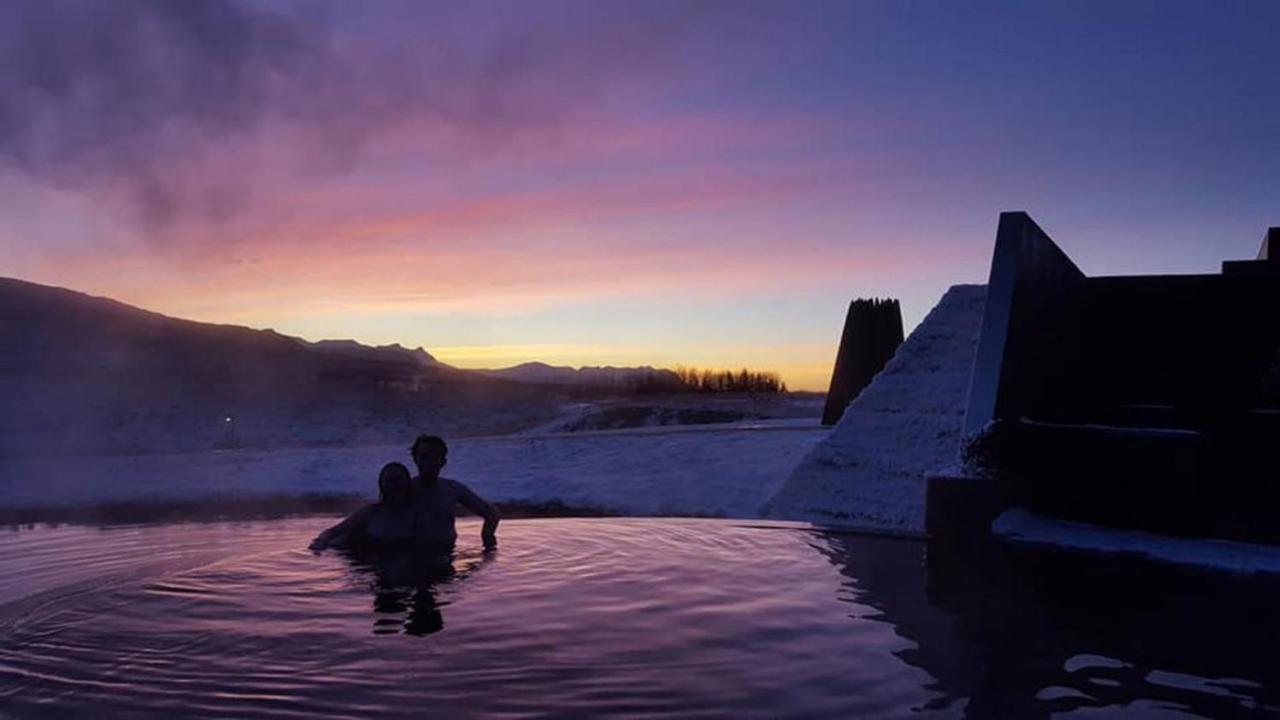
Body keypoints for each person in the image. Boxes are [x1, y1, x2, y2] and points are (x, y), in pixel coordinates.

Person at [408, 434, 500, 550]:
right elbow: (380, 517)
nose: (429, 462)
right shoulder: (403, 489)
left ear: (443, 462)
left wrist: (488, 540)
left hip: (447, 555)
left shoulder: (451, 489)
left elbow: (492, 513)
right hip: (413, 557)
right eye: (424, 456)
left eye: (435, 457)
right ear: (415, 459)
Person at [309, 462, 417, 551]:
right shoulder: (371, 513)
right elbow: (332, 532)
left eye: (398, 480)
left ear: (407, 482)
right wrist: (320, 542)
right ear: (381, 485)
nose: (394, 485)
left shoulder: (418, 514)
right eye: (389, 481)